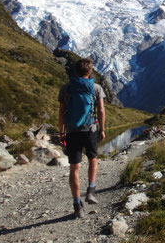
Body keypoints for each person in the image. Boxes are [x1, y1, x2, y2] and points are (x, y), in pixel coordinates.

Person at [58, 58, 106, 218]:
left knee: (74, 168)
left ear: (75, 71)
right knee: (93, 159)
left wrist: (61, 131)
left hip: (72, 132)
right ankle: (91, 190)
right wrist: (102, 129)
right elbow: (101, 111)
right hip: (90, 130)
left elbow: (61, 112)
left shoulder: (66, 88)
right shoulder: (96, 88)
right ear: (90, 71)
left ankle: (77, 205)